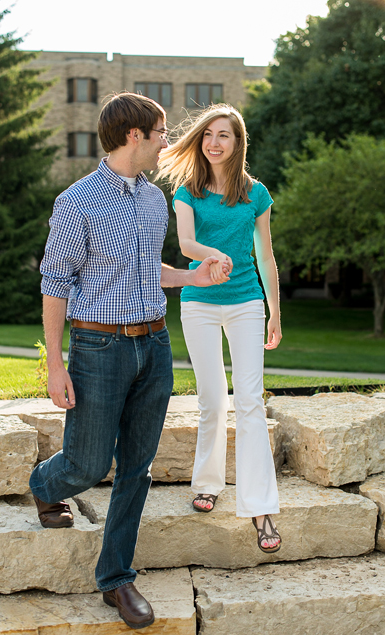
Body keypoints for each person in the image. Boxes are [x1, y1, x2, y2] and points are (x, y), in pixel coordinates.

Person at [29, 92, 229, 631]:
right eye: (162, 132)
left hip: (156, 345)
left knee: (136, 467)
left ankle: (115, 578)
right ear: (134, 136)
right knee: (88, 465)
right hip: (98, 349)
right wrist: (55, 365)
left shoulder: (152, 200)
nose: (168, 141)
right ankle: (45, 486)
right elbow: (55, 285)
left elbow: (147, 269)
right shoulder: (77, 201)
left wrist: (191, 276)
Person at [157, 104, 281, 553]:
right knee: (212, 399)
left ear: (237, 142)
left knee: (249, 401)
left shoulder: (256, 194)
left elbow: (266, 257)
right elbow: (187, 244)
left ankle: (261, 505)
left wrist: (275, 310)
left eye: (224, 134)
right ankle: (207, 482)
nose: (214, 141)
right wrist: (214, 255)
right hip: (200, 306)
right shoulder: (187, 192)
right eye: (208, 134)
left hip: (247, 302)